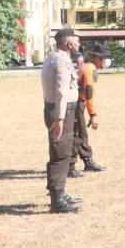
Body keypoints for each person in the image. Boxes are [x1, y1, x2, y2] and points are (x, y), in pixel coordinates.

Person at [41, 28, 83, 214]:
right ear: (69, 44)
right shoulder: (62, 61)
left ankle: (60, 192)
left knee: (63, 151)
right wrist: (59, 118)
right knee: (60, 153)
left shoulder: (53, 57)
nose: (79, 45)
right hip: (61, 112)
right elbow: (61, 92)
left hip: (60, 111)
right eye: (77, 41)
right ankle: (57, 200)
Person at [69, 43, 112, 176]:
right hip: (75, 104)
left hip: (77, 103)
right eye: (106, 58)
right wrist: (93, 114)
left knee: (80, 134)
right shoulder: (90, 69)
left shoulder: (89, 67)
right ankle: (70, 167)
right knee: (77, 134)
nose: (107, 61)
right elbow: (89, 93)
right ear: (99, 58)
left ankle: (87, 161)